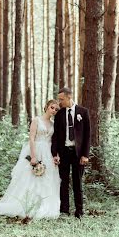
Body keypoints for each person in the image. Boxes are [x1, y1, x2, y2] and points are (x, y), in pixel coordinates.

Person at [0, 100, 61, 219]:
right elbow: (31, 138)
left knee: (47, 179)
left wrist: (56, 155)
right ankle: (26, 206)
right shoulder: (36, 120)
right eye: (52, 107)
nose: (54, 110)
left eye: (56, 109)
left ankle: (45, 206)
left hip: (48, 153)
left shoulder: (53, 124)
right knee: (30, 178)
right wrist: (33, 156)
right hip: (36, 149)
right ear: (46, 107)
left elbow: (54, 142)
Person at [51, 87, 90, 218]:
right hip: (64, 152)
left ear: (69, 97)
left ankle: (79, 212)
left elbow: (87, 135)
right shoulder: (60, 114)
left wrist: (85, 155)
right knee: (64, 182)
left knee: (77, 182)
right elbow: (55, 136)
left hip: (78, 154)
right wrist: (54, 154)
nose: (59, 102)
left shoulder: (83, 112)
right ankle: (64, 211)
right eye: (59, 99)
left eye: (61, 99)